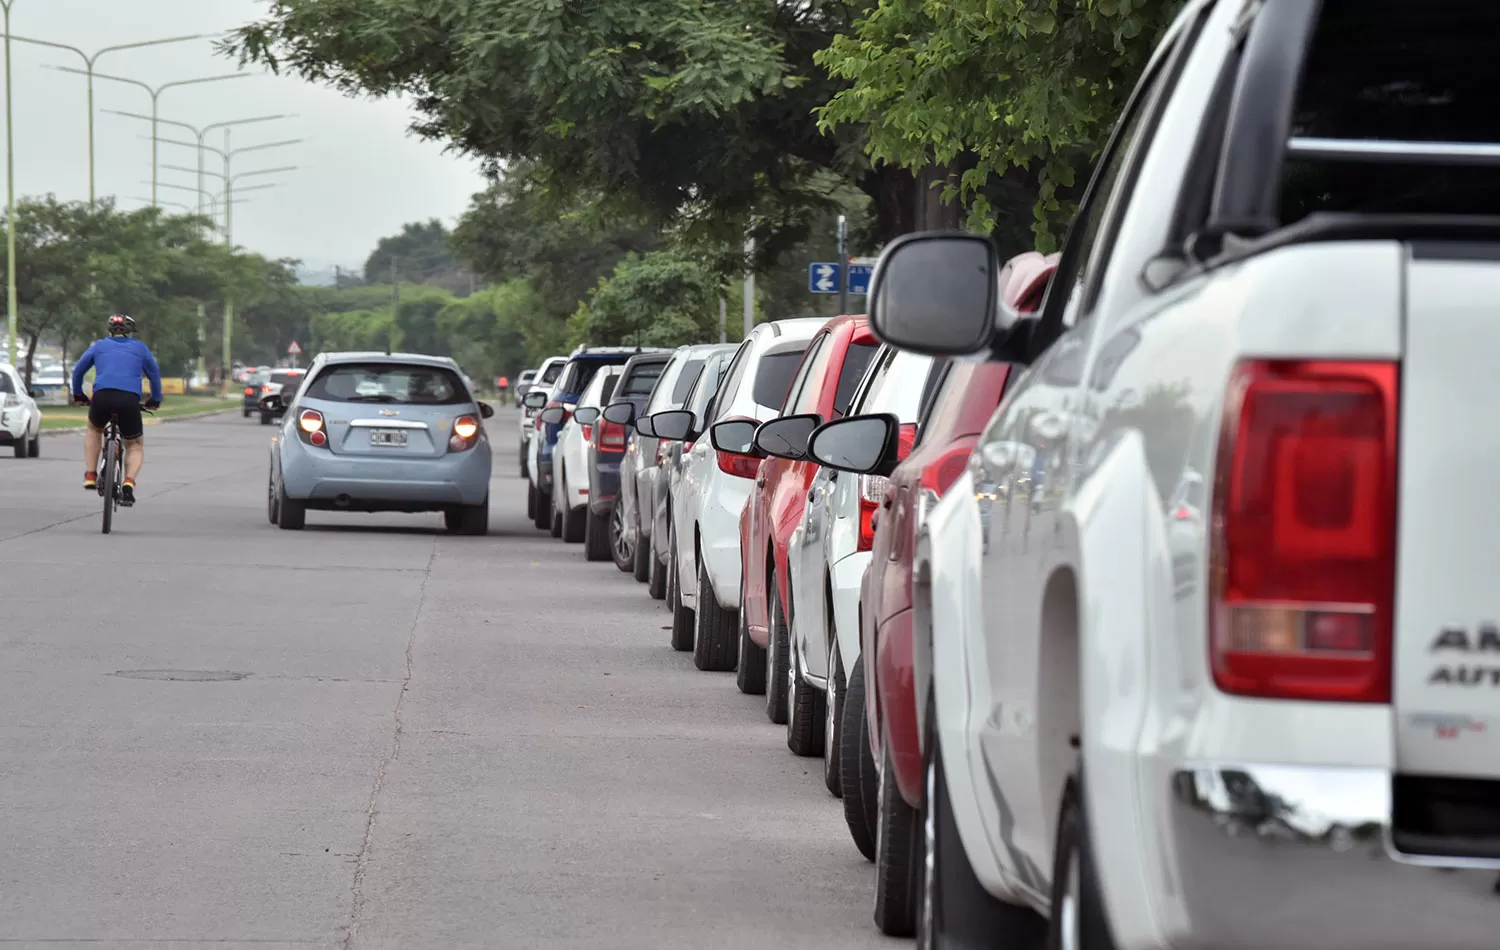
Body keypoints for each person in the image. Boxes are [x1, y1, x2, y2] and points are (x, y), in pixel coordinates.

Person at [71, 314, 162, 507]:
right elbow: (154, 375)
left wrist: (78, 394)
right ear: (131, 331)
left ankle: (90, 473)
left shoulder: (99, 346)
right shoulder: (140, 348)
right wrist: (155, 399)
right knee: (135, 444)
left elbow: (78, 371)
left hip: (102, 397)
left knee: (94, 430)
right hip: (129, 400)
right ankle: (128, 483)